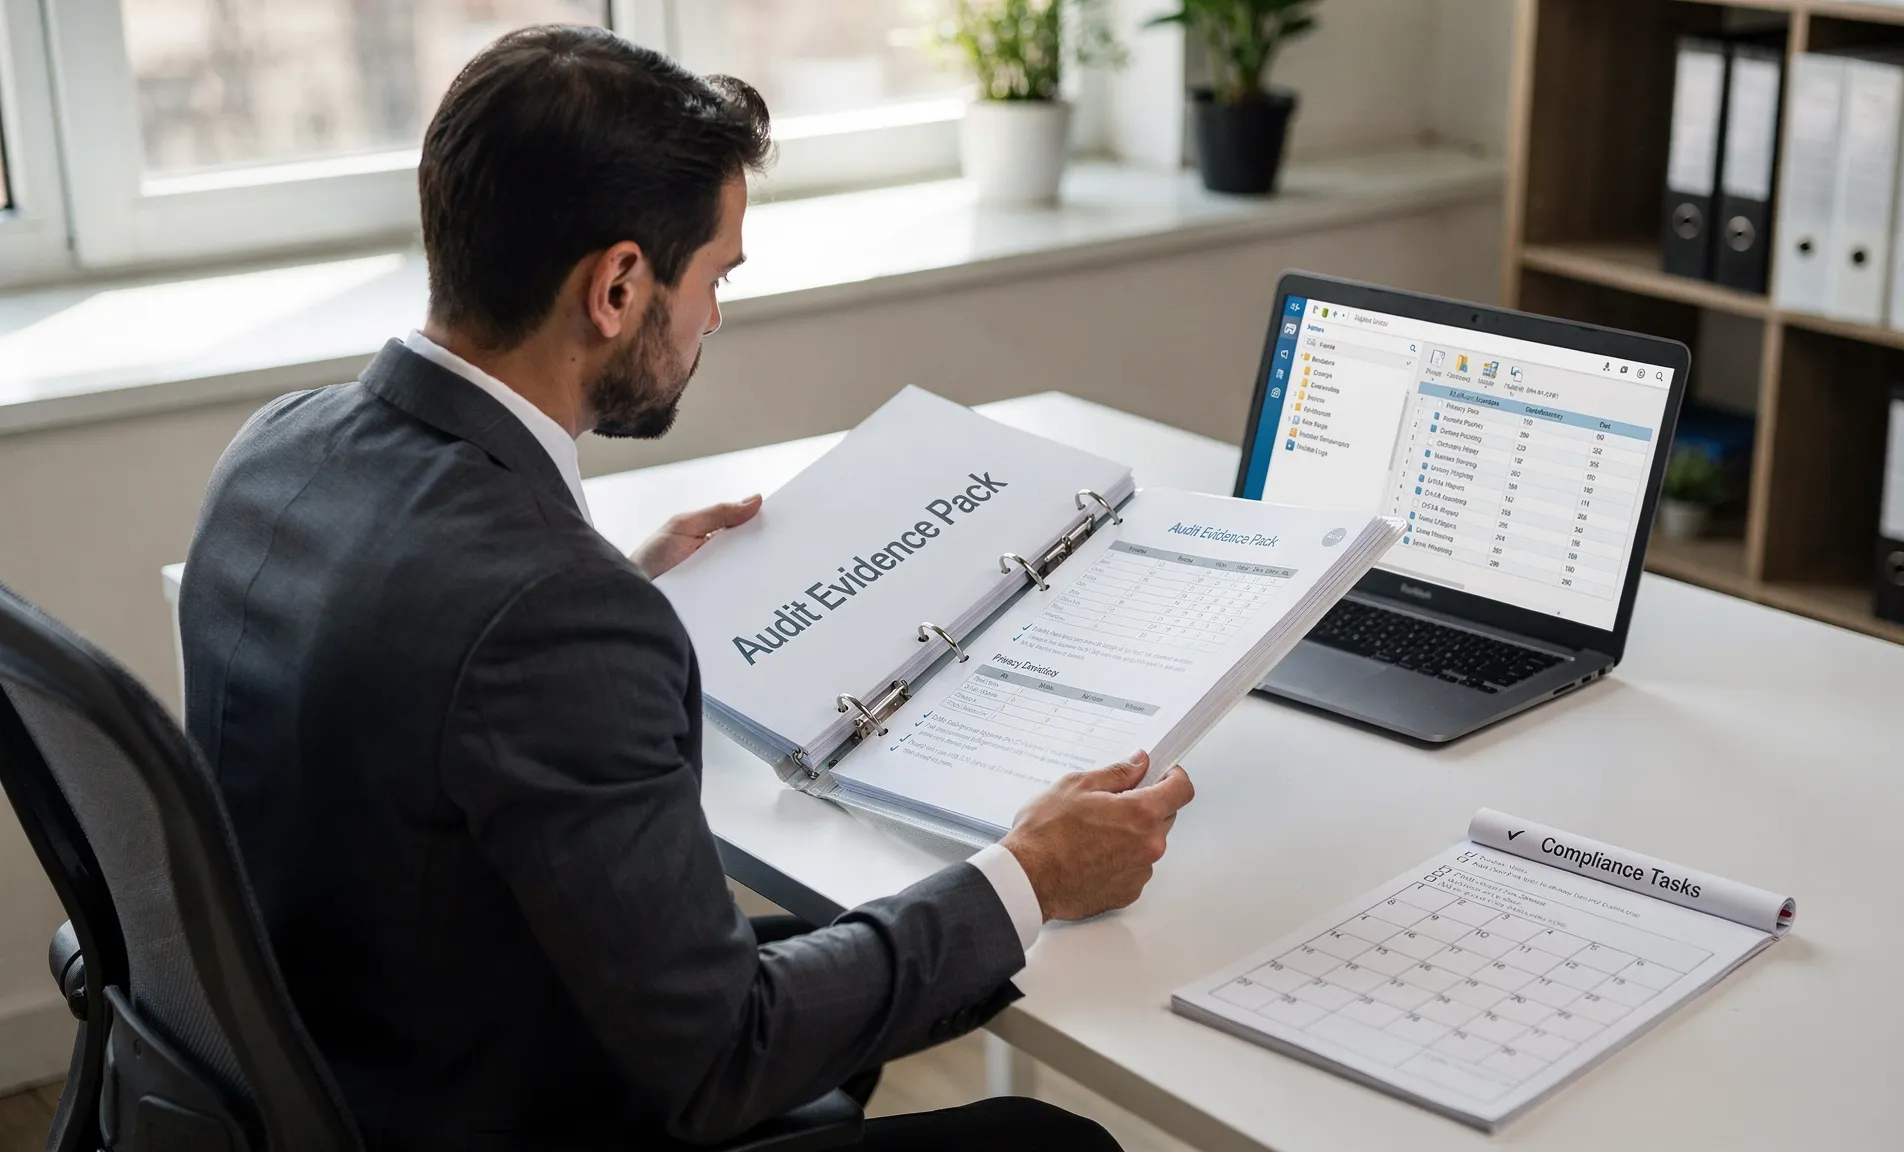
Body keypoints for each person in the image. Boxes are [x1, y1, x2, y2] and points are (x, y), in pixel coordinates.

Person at [177, 24, 1195, 1152]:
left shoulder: (277, 449)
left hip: (348, 1055)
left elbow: (413, 669)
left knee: (831, 955)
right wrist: (1032, 875)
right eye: (714, 277)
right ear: (617, 285)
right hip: (506, 1105)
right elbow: (722, 1058)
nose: (713, 316)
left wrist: (610, 581)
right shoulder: (546, 615)